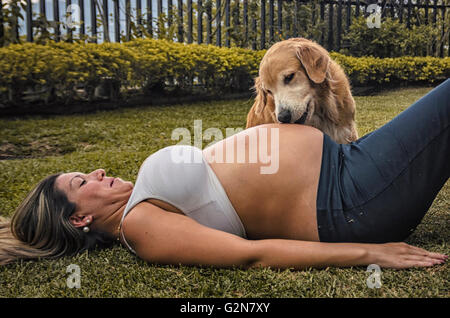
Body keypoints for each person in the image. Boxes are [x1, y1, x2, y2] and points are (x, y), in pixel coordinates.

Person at [0, 79, 449, 269]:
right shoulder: (139, 228)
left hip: (347, 165)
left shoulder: (143, 203)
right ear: (78, 219)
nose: (97, 172)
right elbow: (246, 255)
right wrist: (368, 254)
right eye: (82, 182)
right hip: (351, 199)